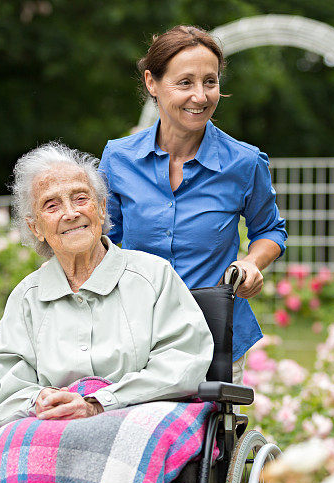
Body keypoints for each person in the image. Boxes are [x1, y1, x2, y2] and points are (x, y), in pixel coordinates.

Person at [0, 141, 214, 433]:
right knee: (11, 446)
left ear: (101, 209)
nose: (70, 213)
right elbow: (9, 382)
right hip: (51, 426)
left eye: (80, 198)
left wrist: (99, 403)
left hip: (137, 417)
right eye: (52, 205)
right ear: (36, 227)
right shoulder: (28, 297)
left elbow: (182, 364)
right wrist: (39, 399)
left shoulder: (154, 277)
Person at [99, 25, 287, 385]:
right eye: (185, 83)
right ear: (152, 83)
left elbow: (270, 230)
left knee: (207, 439)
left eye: (210, 82)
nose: (200, 96)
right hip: (135, 334)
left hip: (215, 334)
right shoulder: (118, 158)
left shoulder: (244, 163)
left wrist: (250, 263)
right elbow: (104, 240)